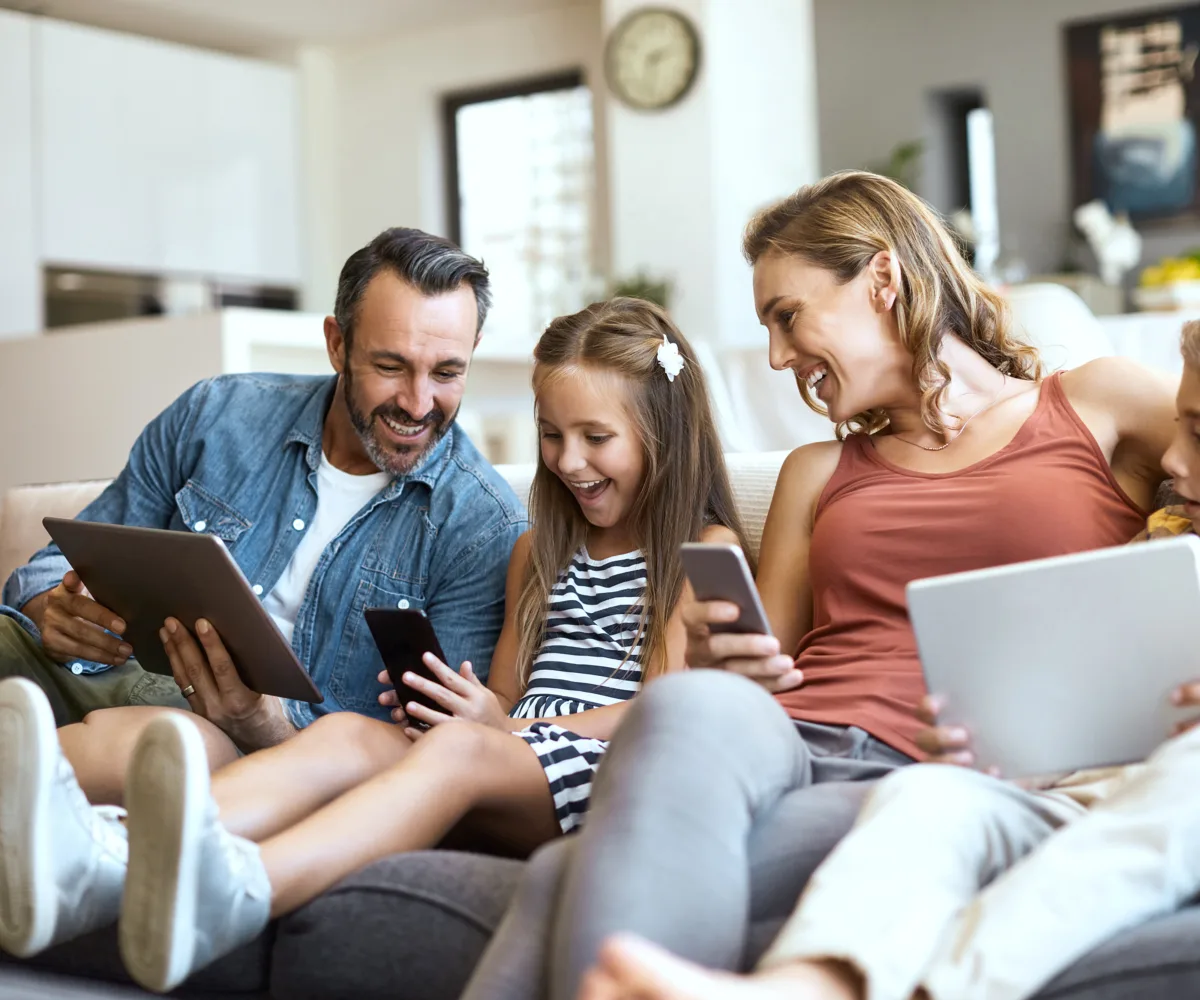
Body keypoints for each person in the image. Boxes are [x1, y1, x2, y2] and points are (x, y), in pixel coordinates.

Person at [458, 171, 1179, 1000]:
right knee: (690, 703)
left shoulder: (1097, 404)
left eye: (787, 317)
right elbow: (770, 662)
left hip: (927, 764)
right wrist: (726, 662)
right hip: (786, 740)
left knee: (562, 876)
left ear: (881, 279)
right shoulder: (818, 471)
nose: (777, 356)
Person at [0, 298, 750, 992]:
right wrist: (474, 710)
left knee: (453, 750)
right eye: (552, 435)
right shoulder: (538, 553)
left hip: (596, 765)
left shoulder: (698, 551)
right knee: (356, 733)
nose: (568, 461)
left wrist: (502, 733)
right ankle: (116, 850)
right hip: (503, 758)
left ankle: (239, 888)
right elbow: (506, 696)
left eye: (596, 439)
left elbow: (661, 712)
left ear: (663, 433)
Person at [574, 320, 1200, 1000]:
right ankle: (807, 985)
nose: (1172, 456)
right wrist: (1009, 742)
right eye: (1181, 427)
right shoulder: (1164, 544)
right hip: (1070, 791)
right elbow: (1098, 687)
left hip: (1166, 794)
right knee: (931, 794)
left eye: (1197, 430)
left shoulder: (1095, 408)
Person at [0, 228, 525, 949]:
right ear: (337, 344)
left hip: (223, 741)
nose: (418, 401)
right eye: (391, 366)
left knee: (171, 746)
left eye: (448, 373)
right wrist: (50, 603)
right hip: (91, 664)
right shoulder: (218, 417)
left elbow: (419, 763)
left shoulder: (481, 526)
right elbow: (55, 561)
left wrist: (262, 725)